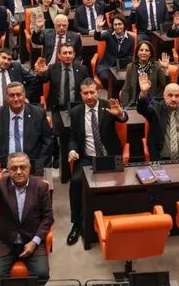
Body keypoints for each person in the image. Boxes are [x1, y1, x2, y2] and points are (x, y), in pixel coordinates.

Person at [67, 79, 127, 245]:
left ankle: (117, 220)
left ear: (98, 92)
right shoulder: (76, 112)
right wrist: (72, 151)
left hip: (109, 157)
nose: (89, 96)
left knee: (121, 184)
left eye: (92, 92)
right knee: (76, 181)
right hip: (87, 158)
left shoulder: (108, 106)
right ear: (81, 94)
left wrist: (120, 114)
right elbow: (73, 137)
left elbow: (123, 119)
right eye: (85, 93)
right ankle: (77, 223)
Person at [0, 154, 54, 285]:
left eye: (23, 167)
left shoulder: (41, 187)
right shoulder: (1, 185)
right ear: (8, 170)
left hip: (31, 240)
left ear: (29, 168)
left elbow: (48, 218)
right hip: (4, 241)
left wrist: (35, 242)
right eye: (14, 168)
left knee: (42, 275)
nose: (19, 172)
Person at [0, 82, 54, 168]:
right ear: (6, 97)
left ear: (24, 95)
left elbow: (48, 140)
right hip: (3, 166)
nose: (15, 99)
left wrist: (39, 165)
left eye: (18, 95)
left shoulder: (38, 113)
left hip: (31, 165)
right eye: (11, 95)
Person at [137, 76, 179, 160]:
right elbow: (142, 109)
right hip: (161, 160)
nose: (173, 99)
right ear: (164, 96)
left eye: (177, 96)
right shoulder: (156, 110)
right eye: (170, 95)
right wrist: (143, 93)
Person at [34, 44, 90, 111]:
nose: (68, 56)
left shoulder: (82, 69)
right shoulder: (52, 68)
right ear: (59, 55)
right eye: (64, 53)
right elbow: (40, 82)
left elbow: (88, 86)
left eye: (70, 53)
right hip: (56, 108)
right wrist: (40, 73)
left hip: (77, 108)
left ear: (74, 55)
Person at [120, 41, 170, 106]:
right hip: (135, 103)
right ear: (137, 53)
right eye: (141, 50)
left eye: (147, 50)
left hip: (153, 104)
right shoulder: (131, 67)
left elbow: (166, 87)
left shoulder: (157, 66)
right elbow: (126, 89)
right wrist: (124, 107)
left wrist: (165, 70)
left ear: (150, 54)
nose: (144, 53)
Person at [93, 14, 135, 85]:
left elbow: (130, 56)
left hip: (121, 67)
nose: (117, 27)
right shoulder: (108, 34)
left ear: (124, 25)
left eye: (119, 24)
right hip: (106, 66)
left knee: (125, 80)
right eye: (115, 25)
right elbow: (98, 37)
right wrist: (98, 27)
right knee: (106, 78)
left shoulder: (130, 39)